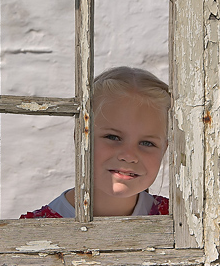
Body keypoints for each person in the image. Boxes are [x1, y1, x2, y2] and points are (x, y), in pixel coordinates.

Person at [21, 66, 169, 218]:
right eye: (113, 137)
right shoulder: (35, 230)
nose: (129, 155)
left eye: (147, 143)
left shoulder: (181, 221)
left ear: (164, 149)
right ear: (80, 138)